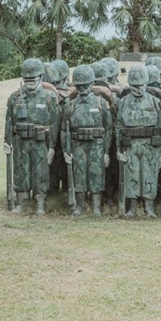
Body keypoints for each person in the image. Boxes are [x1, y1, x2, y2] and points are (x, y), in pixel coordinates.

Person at [4, 59, 61, 215]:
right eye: (26, 79)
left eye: (33, 78)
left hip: (40, 142)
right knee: (21, 171)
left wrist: (51, 147)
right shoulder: (14, 97)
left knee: (41, 172)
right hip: (20, 141)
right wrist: (7, 142)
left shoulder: (50, 97)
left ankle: (40, 204)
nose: (30, 82)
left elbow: (55, 123)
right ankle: (21, 203)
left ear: (41, 77)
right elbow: (8, 121)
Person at [114, 66, 161, 218]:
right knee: (132, 175)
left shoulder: (155, 102)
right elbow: (119, 127)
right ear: (129, 84)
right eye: (134, 86)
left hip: (150, 146)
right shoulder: (123, 102)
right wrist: (118, 149)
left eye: (141, 85)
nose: (138, 89)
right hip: (130, 146)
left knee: (149, 175)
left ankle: (149, 208)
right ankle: (132, 208)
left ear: (146, 83)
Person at [62, 65, 112, 216]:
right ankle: (80, 206)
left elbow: (108, 128)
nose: (83, 88)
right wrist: (66, 150)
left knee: (97, 174)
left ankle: (96, 207)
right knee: (79, 174)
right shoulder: (69, 105)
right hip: (78, 145)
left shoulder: (101, 103)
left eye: (86, 85)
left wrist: (106, 152)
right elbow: (64, 130)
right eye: (79, 85)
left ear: (92, 84)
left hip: (97, 145)